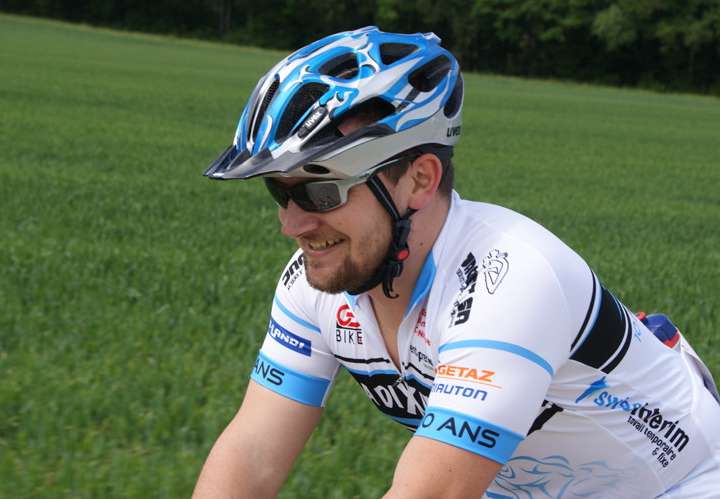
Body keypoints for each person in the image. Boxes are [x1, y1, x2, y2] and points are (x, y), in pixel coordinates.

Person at [193, 26, 720, 499]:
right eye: (279, 192)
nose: (292, 225)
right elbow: (252, 453)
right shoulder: (313, 283)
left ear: (419, 179)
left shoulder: (509, 280)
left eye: (321, 192)